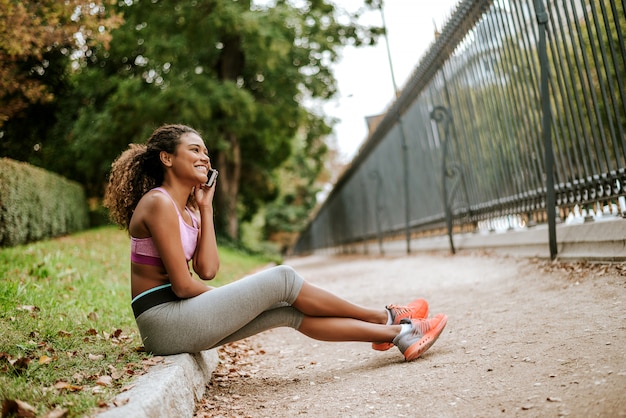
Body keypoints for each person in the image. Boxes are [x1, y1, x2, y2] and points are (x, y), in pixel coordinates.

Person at [103, 124, 447, 361]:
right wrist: (247, 297)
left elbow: (206, 270)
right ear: (167, 158)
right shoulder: (158, 202)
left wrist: (206, 208)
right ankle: (386, 315)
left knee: (288, 312)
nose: (205, 158)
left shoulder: (190, 209)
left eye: (206, 152)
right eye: (194, 150)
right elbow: (181, 285)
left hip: (182, 319)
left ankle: (398, 335)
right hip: (164, 324)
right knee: (281, 279)